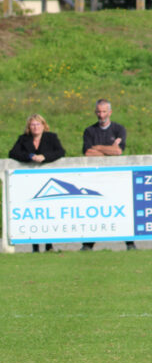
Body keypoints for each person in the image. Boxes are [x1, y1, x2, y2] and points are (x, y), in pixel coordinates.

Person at [81, 99, 134, 251]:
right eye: (98, 111)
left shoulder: (118, 129)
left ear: (110, 112)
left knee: (120, 208)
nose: (101, 114)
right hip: (96, 177)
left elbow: (118, 151)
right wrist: (108, 149)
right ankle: (88, 244)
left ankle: (129, 243)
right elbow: (88, 152)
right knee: (95, 209)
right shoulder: (89, 131)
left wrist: (97, 148)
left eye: (104, 111)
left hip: (115, 177)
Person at [8, 113, 65, 252]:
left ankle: (49, 245)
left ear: (43, 125)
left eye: (38, 124)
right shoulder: (23, 139)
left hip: (48, 179)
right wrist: (29, 156)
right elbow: (13, 153)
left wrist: (44, 157)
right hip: (30, 181)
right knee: (34, 212)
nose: (35, 127)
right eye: (32, 125)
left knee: (48, 212)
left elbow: (60, 152)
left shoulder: (51, 138)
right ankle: (35, 246)